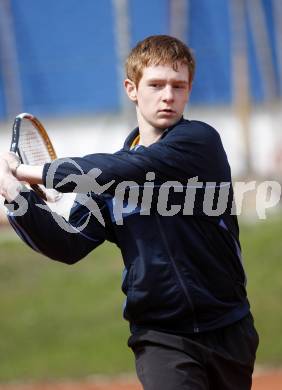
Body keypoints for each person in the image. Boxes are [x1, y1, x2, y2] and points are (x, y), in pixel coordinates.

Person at [0, 35, 258, 389]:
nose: (168, 95)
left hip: (229, 328)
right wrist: (16, 195)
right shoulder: (110, 179)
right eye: (156, 85)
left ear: (188, 90)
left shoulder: (199, 143)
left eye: (178, 86)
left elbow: (128, 170)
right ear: (132, 89)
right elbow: (66, 244)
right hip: (161, 336)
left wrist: (30, 172)